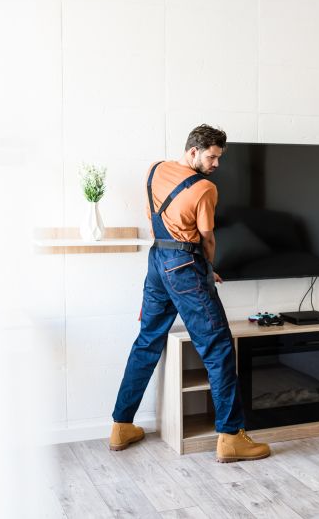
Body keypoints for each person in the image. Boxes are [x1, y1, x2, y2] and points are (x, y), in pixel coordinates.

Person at [109, 124, 270, 462]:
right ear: (193, 151)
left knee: (147, 340)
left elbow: (156, 215)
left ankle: (121, 425)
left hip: (157, 261)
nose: (216, 164)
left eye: (219, 158)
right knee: (219, 348)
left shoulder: (155, 169)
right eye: (212, 157)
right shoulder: (205, 189)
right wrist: (207, 269)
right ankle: (230, 437)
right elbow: (207, 239)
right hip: (185, 267)